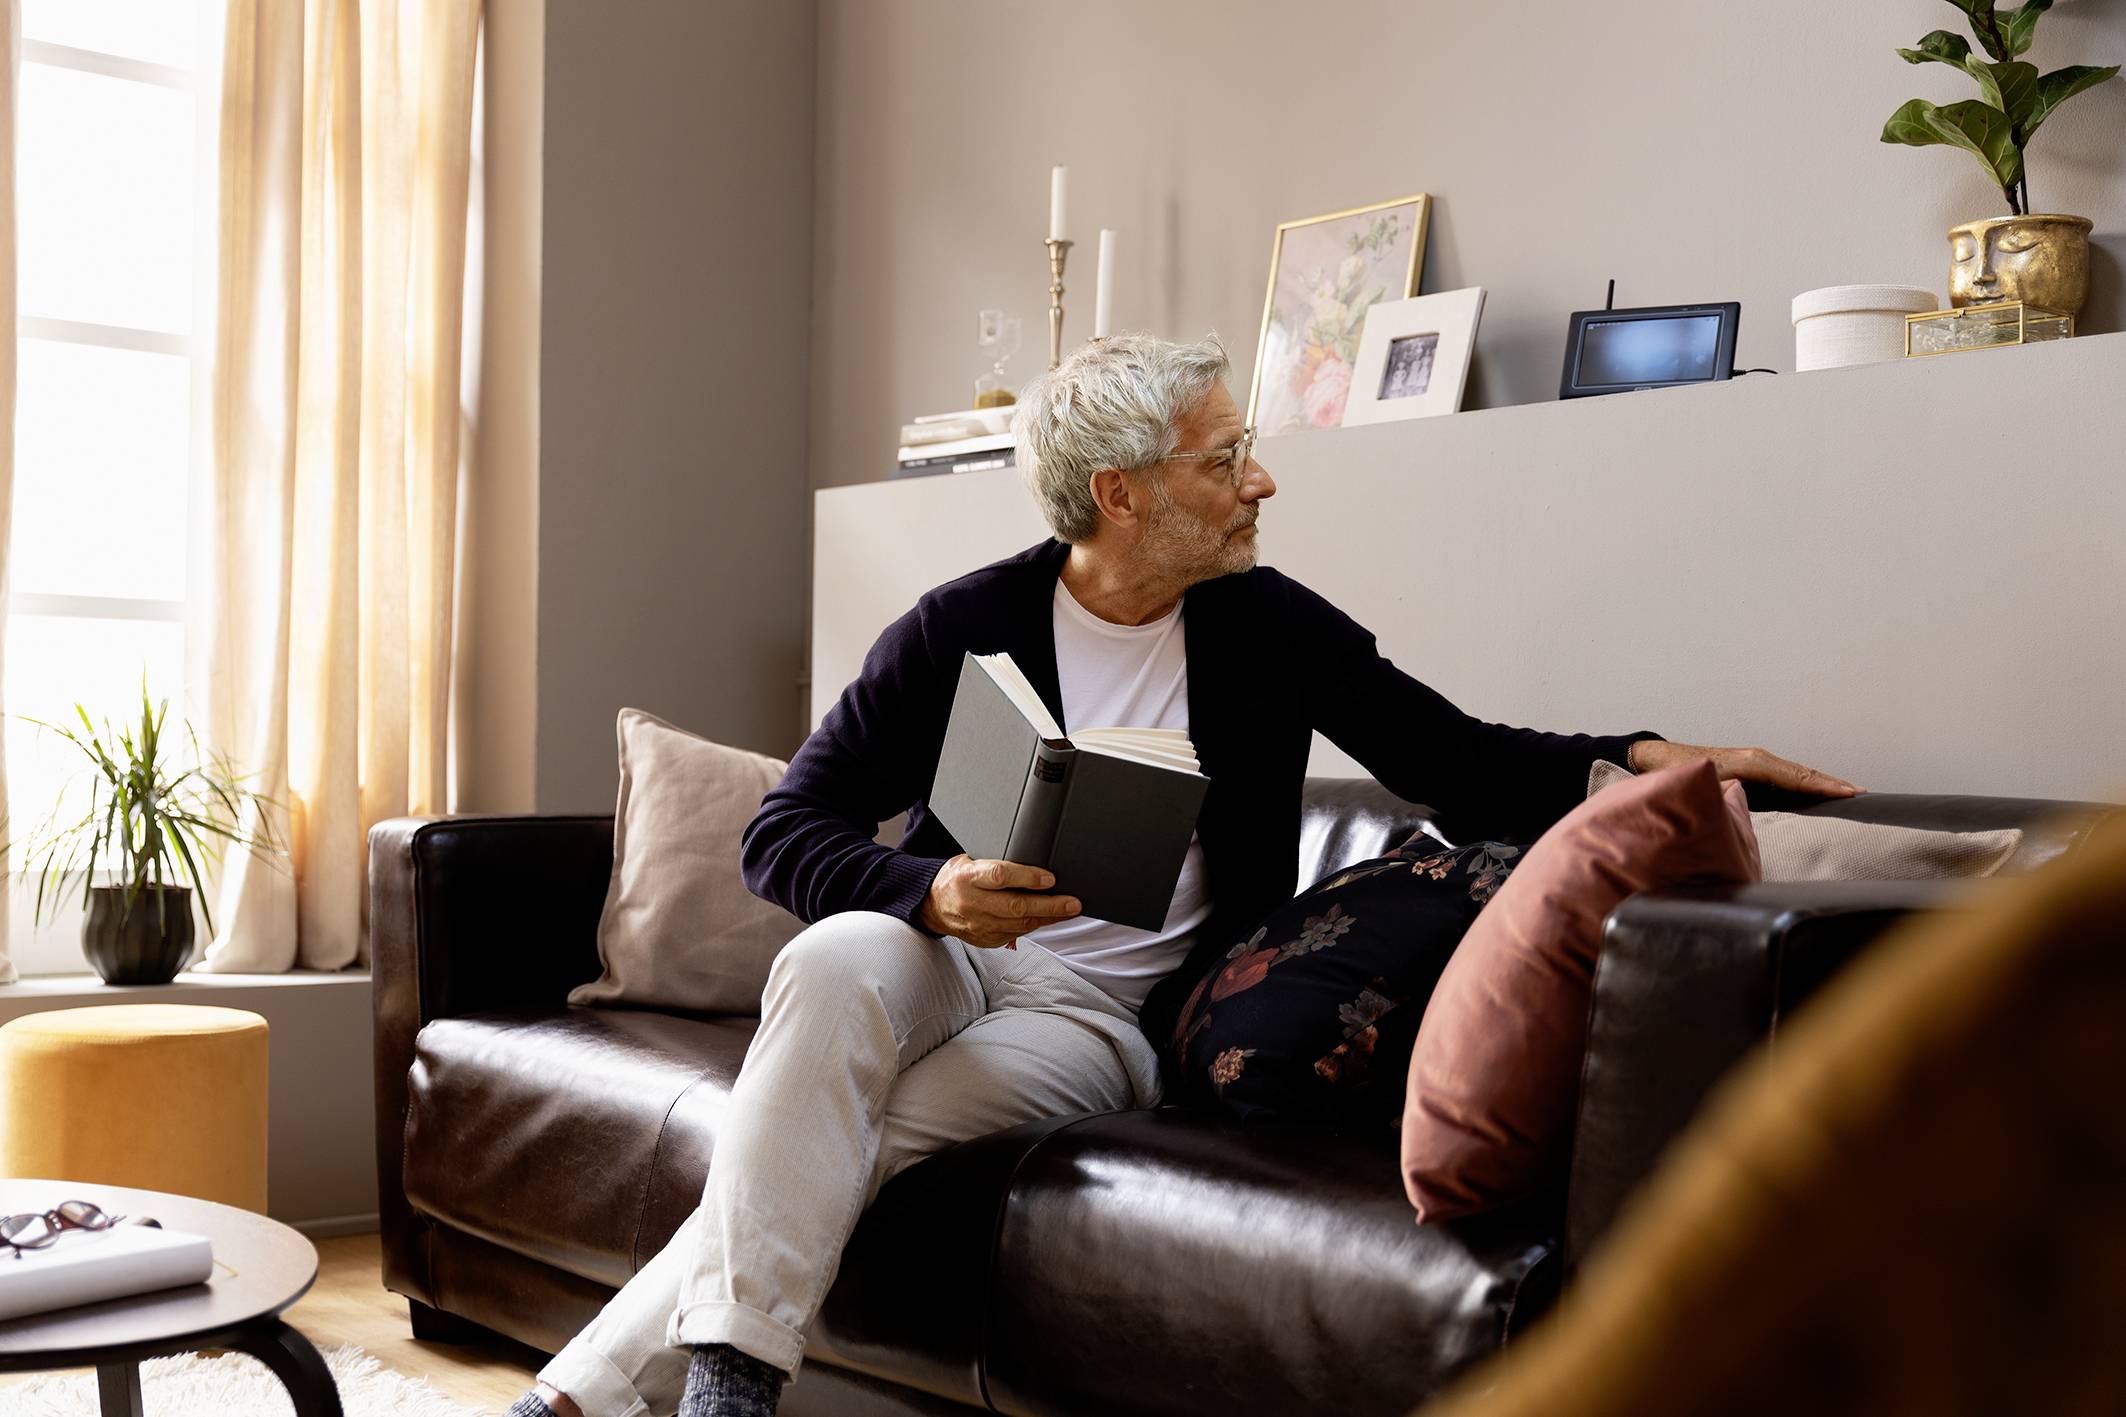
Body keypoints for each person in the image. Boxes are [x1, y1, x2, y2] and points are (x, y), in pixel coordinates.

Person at [510, 333, 1858, 1417]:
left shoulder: (1267, 628)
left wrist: (1642, 752)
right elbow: (785, 827)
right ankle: (721, 1396)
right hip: (938, 951)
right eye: (1228, 460)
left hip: (1097, 1027)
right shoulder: (960, 625)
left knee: (850, 1140)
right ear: (1124, 493)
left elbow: (1448, 754)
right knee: (827, 960)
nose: (1259, 483)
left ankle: (595, 1401)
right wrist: (926, 891)